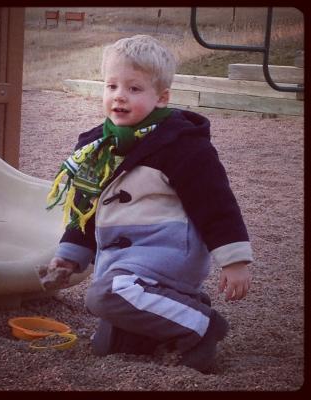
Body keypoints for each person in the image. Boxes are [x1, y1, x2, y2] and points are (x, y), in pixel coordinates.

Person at [40, 34, 253, 373]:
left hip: (166, 255)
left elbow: (216, 204)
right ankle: (175, 319)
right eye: (111, 86)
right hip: (123, 261)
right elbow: (88, 207)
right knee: (106, 345)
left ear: (161, 97)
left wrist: (234, 260)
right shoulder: (99, 147)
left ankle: (201, 324)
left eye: (134, 89)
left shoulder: (182, 147)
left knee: (102, 296)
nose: (119, 96)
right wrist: (69, 256)